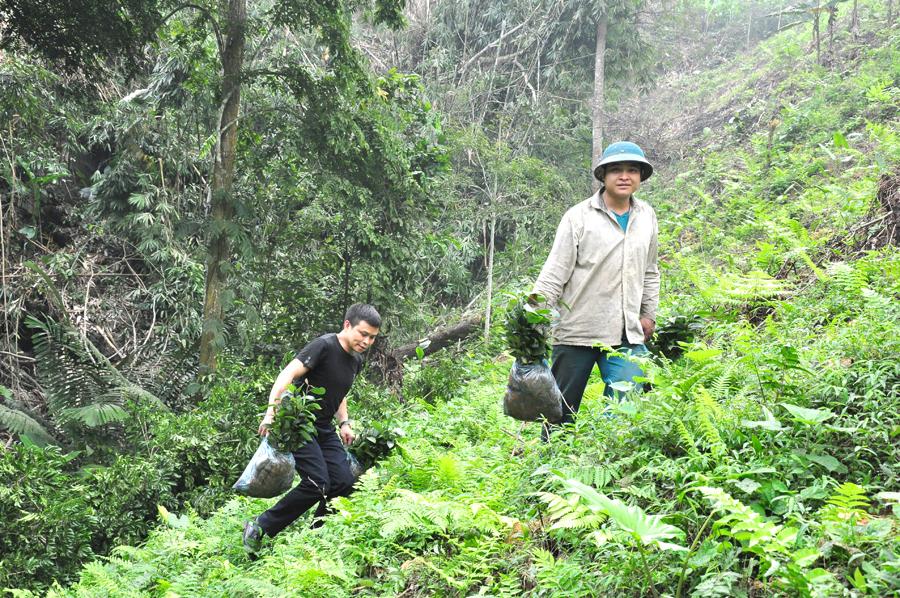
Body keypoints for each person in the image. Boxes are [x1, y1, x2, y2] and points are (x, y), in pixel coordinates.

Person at [532, 141, 660, 431]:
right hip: (578, 330)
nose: (624, 176)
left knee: (626, 403)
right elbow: (554, 273)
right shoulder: (578, 217)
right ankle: (551, 468)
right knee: (560, 411)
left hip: (627, 331)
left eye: (632, 170)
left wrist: (648, 314)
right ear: (603, 176)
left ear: (641, 176)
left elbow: (651, 270)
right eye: (616, 170)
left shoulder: (647, 217)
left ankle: (606, 462)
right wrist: (533, 318)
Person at [242, 303, 381, 556]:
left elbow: (339, 391)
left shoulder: (356, 361)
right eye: (363, 333)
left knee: (345, 482)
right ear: (347, 325)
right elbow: (287, 374)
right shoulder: (324, 346)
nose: (367, 341)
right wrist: (271, 412)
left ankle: (317, 539)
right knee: (318, 483)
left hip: (324, 427)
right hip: (299, 421)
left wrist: (344, 423)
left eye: (372, 337)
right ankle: (259, 527)